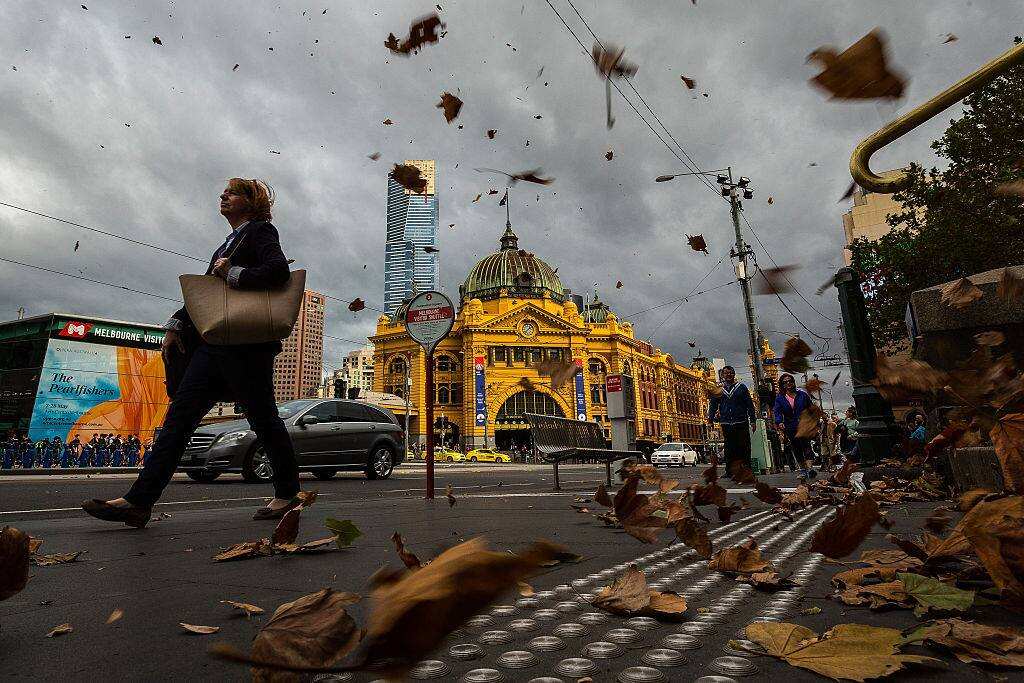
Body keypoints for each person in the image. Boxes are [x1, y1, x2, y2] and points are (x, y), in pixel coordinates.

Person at [82, 178, 302, 528]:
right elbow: (207, 297)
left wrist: (232, 272)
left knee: (264, 420)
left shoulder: (261, 231)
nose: (223, 195)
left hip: (246, 350)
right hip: (211, 348)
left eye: (232, 193)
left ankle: (288, 494)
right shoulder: (226, 244)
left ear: (250, 202)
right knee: (178, 421)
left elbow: (277, 272)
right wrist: (175, 324)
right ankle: (138, 502)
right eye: (224, 191)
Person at [707, 366, 757, 478]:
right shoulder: (719, 389)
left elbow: (749, 404)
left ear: (734, 374)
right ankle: (729, 471)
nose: (728, 375)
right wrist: (710, 420)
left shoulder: (741, 387)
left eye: (731, 373)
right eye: (726, 373)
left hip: (741, 421)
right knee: (729, 448)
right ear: (722, 375)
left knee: (744, 446)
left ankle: (747, 469)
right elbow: (713, 405)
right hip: (726, 423)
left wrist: (753, 420)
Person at [773, 373, 818, 480]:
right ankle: (803, 470)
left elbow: (810, 407)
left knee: (806, 445)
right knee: (796, 447)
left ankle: (810, 469)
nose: (788, 383)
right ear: (782, 385)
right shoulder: (780, 398)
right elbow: (777, 411)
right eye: (785, 382)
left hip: (804, 424)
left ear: (793, 382)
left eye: (790, 381)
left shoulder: (802, 395)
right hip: (790, 426)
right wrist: (779, 422)